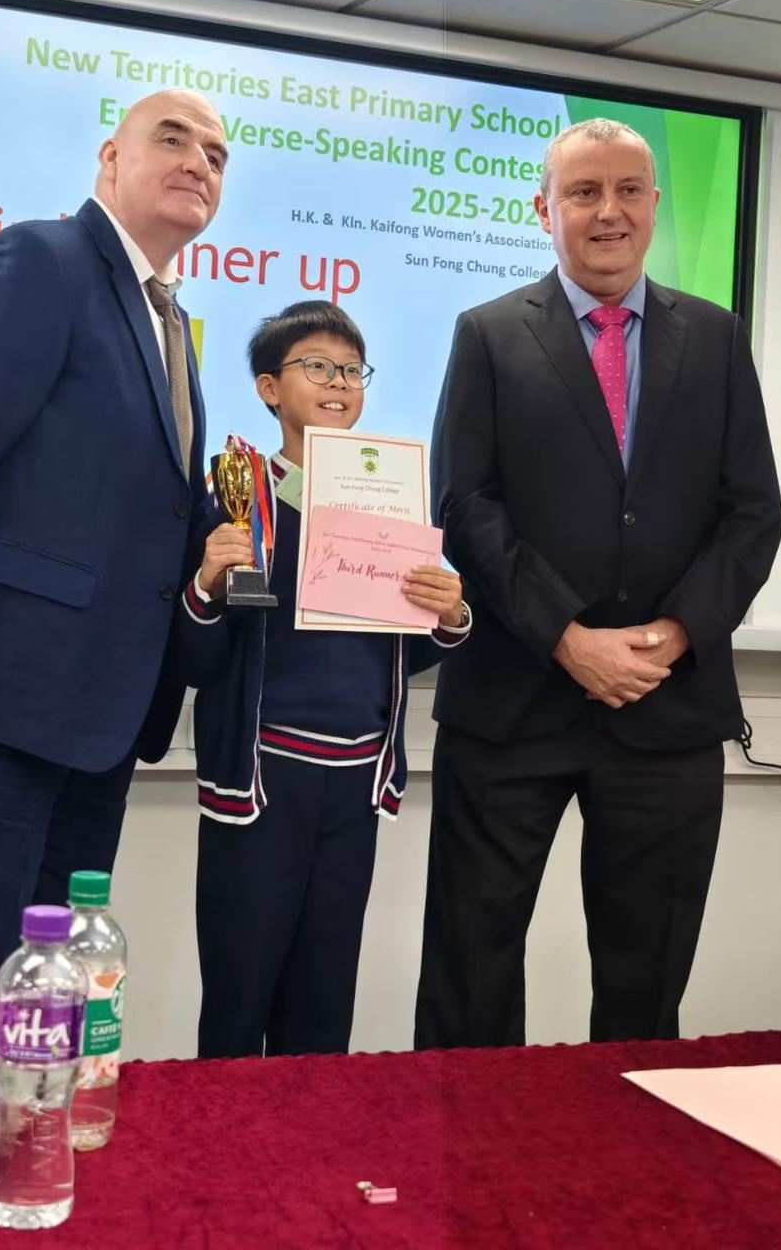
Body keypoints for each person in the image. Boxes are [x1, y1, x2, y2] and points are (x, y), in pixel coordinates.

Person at [0, 90, 228, 1074]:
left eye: (217, 154)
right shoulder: (43, 260)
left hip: (97, 717)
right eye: (173, 139)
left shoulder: (169, 321)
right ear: (109, 159)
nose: (199, 162)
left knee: (49, 994)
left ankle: (29, 1151)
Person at [415, 117, 781, 1048]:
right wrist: (568, 639)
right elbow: (465, 505)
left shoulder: (717, 338)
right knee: (470, 973)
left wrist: (675, 635)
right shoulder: (488, 334)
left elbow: (753, 515)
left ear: (655, 206)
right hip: (512, 704)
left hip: (668, 709)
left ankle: (622, 1143)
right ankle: (467, 1141)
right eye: (583, 192)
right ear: (545, 210)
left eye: (627, 190)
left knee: (645, 990)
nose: (607, 211)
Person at [173, 300, 469, 1058]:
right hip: (262, 777)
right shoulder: (237, 493)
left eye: (351, 370)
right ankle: (223, 1137)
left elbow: (390, 652)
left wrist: (448, 617)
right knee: (239, 994)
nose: (338, 382)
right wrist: (206, 584)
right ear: (270, 389)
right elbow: (196, 659)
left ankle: (311, 1136)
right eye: (316, 366)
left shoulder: (389, 502)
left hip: (355, 780)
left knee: (324, 1001)